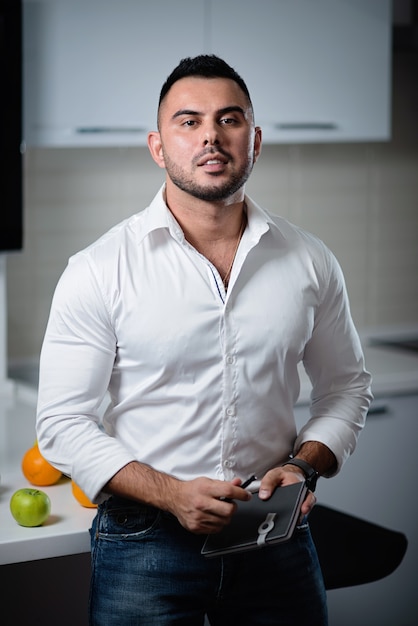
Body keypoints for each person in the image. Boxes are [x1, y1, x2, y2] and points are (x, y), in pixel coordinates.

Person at [36, 55, 372, 625]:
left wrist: (303, 466)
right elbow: (62, 425)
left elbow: (346, 388)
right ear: (158, 146)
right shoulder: (99, 269)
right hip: (145, 542)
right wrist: (170, 494)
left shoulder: (310, 260)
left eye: (229, 119)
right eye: (188, 121)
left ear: (255, 139)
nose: (211, 136)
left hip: (275, 537)